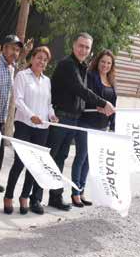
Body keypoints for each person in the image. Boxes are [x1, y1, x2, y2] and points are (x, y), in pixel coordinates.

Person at [45, 33, 114, 211]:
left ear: (90, 50)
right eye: (81, 46)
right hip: (61, 118)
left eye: (87, 47)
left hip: (74, 119)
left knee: (61, 158)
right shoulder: (68, 64)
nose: (83, 50)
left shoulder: (81, 66)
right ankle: (34, 198)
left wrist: (96, 107)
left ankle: (55, 197)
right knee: (50, 158)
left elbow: (80, 96)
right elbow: (80, 89)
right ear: (73, 45)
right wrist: (103, 103)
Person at [4, 46, 58, 215]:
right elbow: (18, 100)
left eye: (45, 60)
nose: (41, 62)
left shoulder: (47, 81)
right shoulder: (22, 76)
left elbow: (48, 104)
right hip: (24, 125)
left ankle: (24, 197)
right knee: (19, 163)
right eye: (39, 57)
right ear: (32, 58)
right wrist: (31, 115)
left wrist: (52, 115)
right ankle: (8, 196)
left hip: (42, 128)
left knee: (34, 165)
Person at [71, 49, 117, 207]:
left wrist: (112, 124)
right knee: (81, 157)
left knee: (90, 161)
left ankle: (81, 191)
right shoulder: (90, 77)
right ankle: (75, 193)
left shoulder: (111, 81)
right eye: (103, 61)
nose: (105, 65)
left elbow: (113, 105)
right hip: (87, 122)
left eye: (109, 63)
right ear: (98, 62)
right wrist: (98, 106)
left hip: (102, 126)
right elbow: (86, 96)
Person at [0, 35, 26, 193]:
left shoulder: (11, 67)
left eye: (17, 50)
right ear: (4, 48)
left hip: (1, 118)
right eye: (12, 49)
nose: (15, 53)